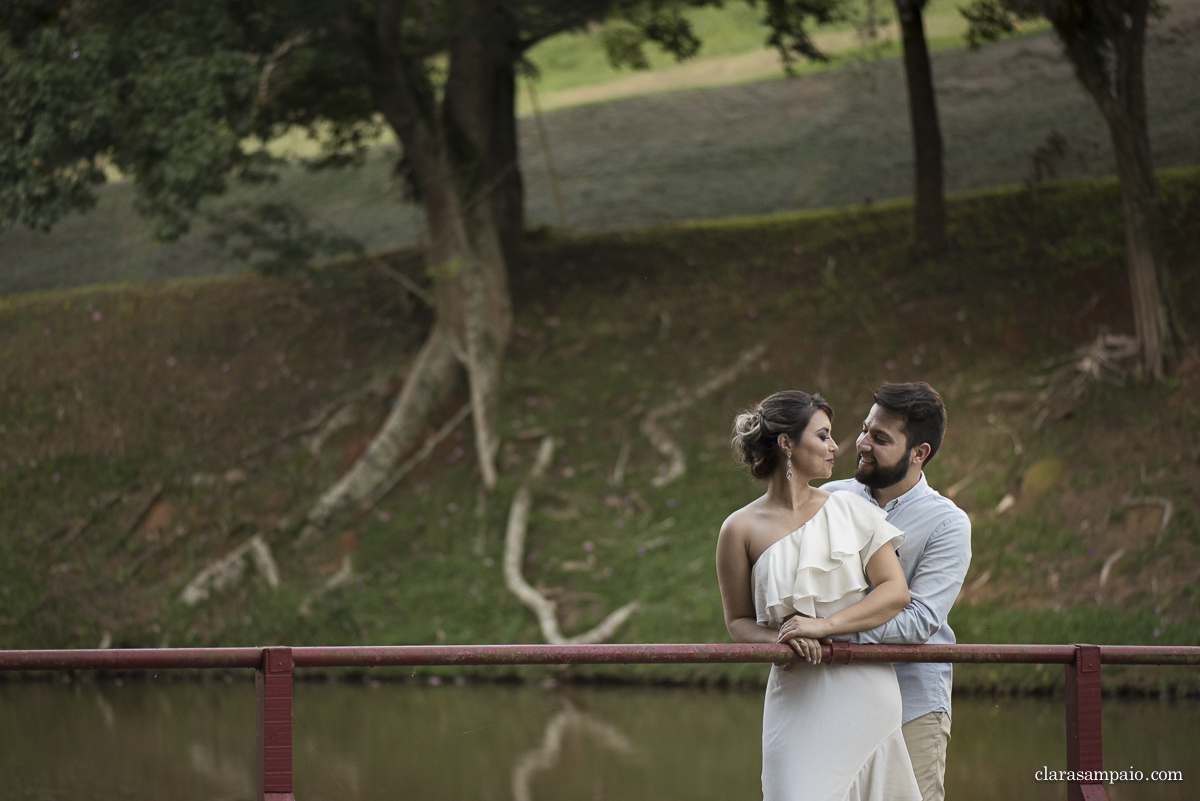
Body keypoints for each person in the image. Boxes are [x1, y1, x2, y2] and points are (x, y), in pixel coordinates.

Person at [716, 390, 922, 801]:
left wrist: (823, 626)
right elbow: (737, 621)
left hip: (864, 691)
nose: (835, 447)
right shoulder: (738, 529)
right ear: (787, 443)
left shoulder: (850, 509)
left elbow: (895, 591)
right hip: (796, 691)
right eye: (824, 435)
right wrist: (785, 638)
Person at [823, 382, 972, 801]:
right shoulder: (827, 500)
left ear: (919, 453)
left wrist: (831, 632)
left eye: (881, 438)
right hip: (833, 695)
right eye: (865, 429)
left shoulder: (948, 523)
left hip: (912, 704)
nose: (863, 444)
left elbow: (921, 619)